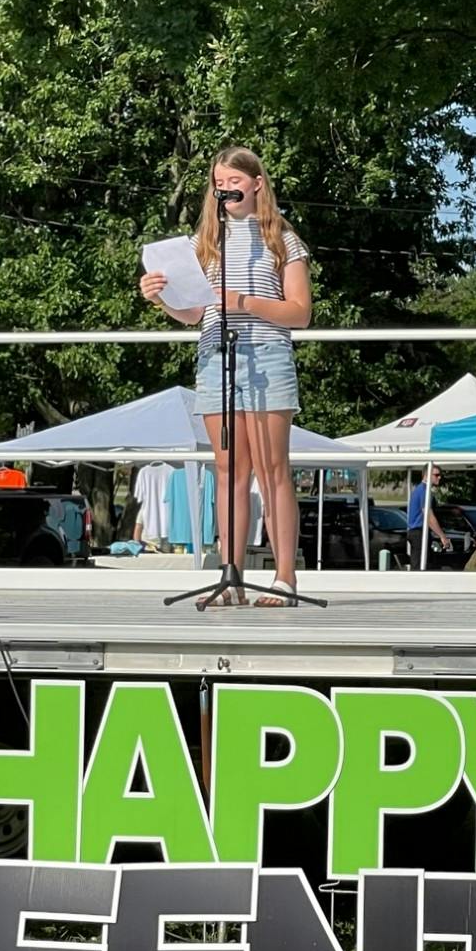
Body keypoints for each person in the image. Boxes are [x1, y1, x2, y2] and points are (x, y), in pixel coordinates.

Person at [139, 146, 312, 607]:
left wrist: (243, 302)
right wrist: (161, 297)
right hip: (216, 356)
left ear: (256, 183)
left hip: (267, 355)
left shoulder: (282, 239)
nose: (226, 189)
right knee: (228, 469)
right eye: (219, 183)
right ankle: (229, 575)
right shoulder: (204, 242)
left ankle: (284, 579)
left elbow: (300, 313)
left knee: (272, 469)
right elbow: (196, 311)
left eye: (235, 181)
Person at [407, 465, 452, 562]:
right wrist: (442, 536)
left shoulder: (420, 489)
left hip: (418, 532)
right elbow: (428, 515)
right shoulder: (424, 491)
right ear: (427, 475)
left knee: (425, 563)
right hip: (419, 533)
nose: (439, 477)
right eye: (436, 475)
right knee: (420, 566)